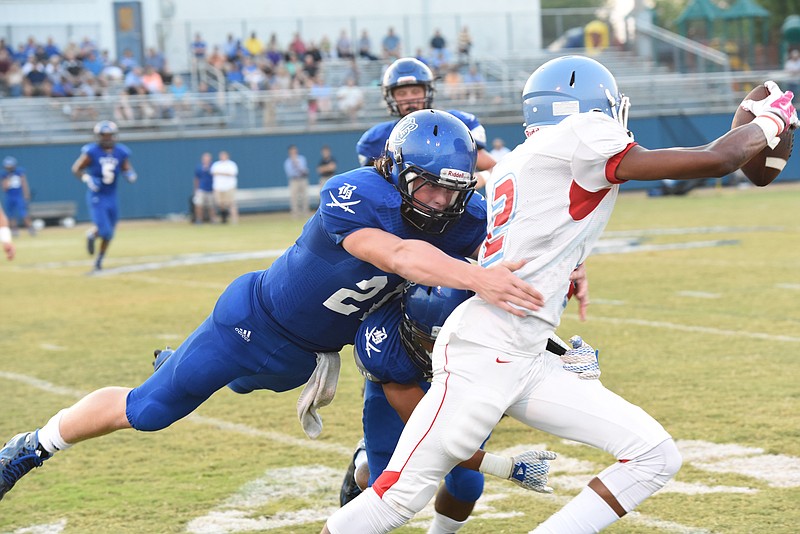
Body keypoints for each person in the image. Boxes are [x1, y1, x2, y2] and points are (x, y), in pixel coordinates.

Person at [321, 56, 798, 534]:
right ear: (589, 105)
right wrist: (771, 120)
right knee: (397, 499)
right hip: (485, 353)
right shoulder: (581, 133)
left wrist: (573, 264)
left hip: (524, 352)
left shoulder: (527, 157)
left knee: (654, 454)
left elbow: (552, 227)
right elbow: (718, 159)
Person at [0, 110, 544, 504]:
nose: (439, 202)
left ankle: (180, 361)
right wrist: (478, 276)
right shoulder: (354, 194)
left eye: (451, 190)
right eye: (426, 187)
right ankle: (32, 446)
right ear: (395, 170)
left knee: (245, 385)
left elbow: (519, 233)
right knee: (148, 411)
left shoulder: (461, 211)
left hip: (306, 358)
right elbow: (399, 254)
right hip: (252, 323)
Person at [342, 281, 593, 533]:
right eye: (428, 338)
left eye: (447, 338)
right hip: (404, 378)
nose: (436, 349)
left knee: (468, 485)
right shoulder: (383, 343)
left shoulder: (496, 323)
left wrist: (570, 363)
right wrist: (506, 468)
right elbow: (434, 436)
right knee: (380, 483)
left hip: (462, 380)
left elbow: (538, 341)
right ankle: (363, 455)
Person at [356, 58, 495, 179]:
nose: (409, 98)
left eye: (415, 91)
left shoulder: (453, 123)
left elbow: (493, 168)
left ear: (428, 91)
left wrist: (479, 179)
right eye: (402, 93)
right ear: (390, 97)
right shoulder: (376, 138)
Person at [71, 120, 137, 272]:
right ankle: (93, 235)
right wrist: (87, 179)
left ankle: (98, 260)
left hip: (112, 196)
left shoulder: (121, 152)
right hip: (97, 196)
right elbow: (76, 169)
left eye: (109, 135)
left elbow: (127, 168)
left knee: (110, 233)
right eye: (104, 135)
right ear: (98, 136)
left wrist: (130, 174)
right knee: (105, 230)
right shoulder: (91, 151)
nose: (107, 138)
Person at [1, 156, 35, 236]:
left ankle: (30, 229)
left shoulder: (19, 172)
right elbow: (4, 188)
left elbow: (24, 183)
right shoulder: (4, 175)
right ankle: (14, 230)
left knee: (23, 213)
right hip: (10, 196)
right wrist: (7, 180)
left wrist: (26, 194)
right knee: (11, 214)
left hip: (19, 196)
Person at [210, 150, 238, 224]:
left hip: (229, 187)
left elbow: (232, 173)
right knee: (220, 204)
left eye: (224, 155)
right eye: (221, 156)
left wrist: (220, 173)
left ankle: (234, 220)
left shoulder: (231, 164)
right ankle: (222, 219)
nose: (222, 157)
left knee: (231, 203)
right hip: (218, 187)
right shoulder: (216, 164)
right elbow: (213, 173)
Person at [284, 144, 310, 219]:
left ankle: (305, 213)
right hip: (294, 180)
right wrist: (293, 164)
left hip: (302, 179)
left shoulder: (301, 159)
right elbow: (289, 172)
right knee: (294, 198)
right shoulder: (288, 162)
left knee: (304, 197)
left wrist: (297, 164)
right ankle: (295, 214)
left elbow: (304, 170)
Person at [192, 152, 217, 224]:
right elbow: (196, 179)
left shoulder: (214, 166)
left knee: (211, 206)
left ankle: (213, 219)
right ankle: (199, 219)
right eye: (204, 158)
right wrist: (195, 189)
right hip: (201, 189)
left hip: (211, 189)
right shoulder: (199, 167)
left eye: (207, 158)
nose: (205, 160)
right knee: (199, 204)